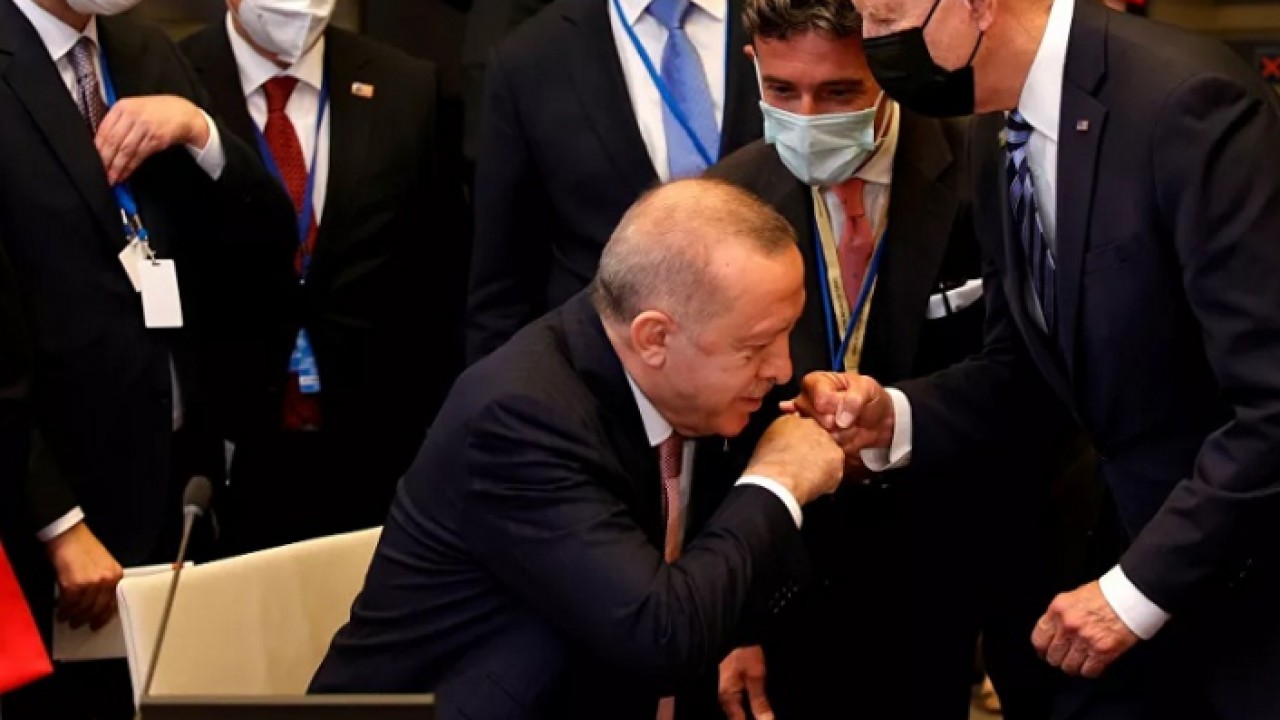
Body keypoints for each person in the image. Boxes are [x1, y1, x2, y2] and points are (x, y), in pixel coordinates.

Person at [801, 0, 1280, 716]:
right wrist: (894, 417)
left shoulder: (1187, 105)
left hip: (1229, 601)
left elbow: (1271, 405)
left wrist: (1136, 591)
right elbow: (1024, 366)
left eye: (886, 17)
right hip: (1084, 593)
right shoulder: (997, 123)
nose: (871, 43)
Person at [310, 178, 846, 720]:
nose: (783, 368)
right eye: (756, 345)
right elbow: (659, 639)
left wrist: (840, 427)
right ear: (655, 337)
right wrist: (777, 479)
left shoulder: (692, 385)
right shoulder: (519, 418)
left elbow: (736, 548)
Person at [704, 1, 1063, 717]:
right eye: (782, 90)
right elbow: (710, 434)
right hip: (797, 581)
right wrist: (732, 622)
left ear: (889, 65)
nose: (807, 116)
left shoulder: (989, 160)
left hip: (962, 563)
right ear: (752, 67)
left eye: (839, 91)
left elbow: (1037, 377)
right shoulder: (727, 200)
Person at [0, 0, 274, 716]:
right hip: (54, 515)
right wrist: (57, 522)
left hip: (180, 494)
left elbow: (260, 244)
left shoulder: (148, 52)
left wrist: (200, 130)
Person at [180, 0, 466, 553]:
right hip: (228, 452)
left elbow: (442, 277)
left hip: (376, 451)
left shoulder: (409, 87)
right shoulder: (172, 79)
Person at [465, 0, 766, 362]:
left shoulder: (792, 17)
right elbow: (503, 288)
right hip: (603, 374)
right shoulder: (530, 58)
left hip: (783, 367)